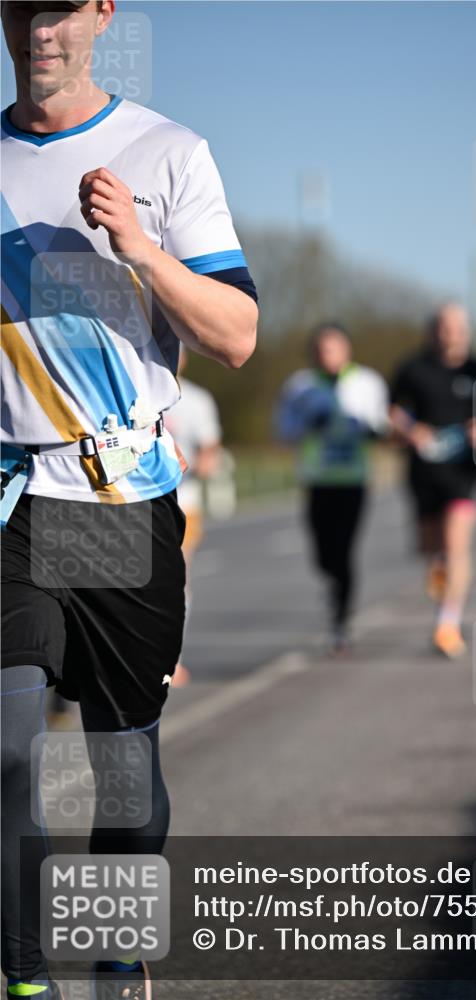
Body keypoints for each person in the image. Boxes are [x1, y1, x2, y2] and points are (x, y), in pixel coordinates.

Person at [0, 3, 258, 998]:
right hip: (13, 494)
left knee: (124, 771)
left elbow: (234, 333)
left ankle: (117, 962)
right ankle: (25, 978)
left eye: (60, 7)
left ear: (104, 10)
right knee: (8, 750)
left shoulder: (166, 152)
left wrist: (142, 249)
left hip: (119, 499)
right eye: (19, 7)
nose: (38, 29)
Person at [275, 323, 388, 653]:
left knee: (344, 549)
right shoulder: (300, 386)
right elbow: (282, 429)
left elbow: (382, 425)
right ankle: (337, 588)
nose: (327, 355)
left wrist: (367, 428)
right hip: (317, 479)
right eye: (321, 349)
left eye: (333, 348)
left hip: (353, 480)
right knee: (323, 556)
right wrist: (308, 424)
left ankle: (341, 619)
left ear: (347, 349)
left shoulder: (367, 382)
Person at [389, 303, 476, 658]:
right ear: (433, 331)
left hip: (463, 472)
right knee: (432, 551)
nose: (451, 333)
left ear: (467, 330)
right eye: (444, 327)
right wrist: (410, 430)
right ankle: (441, 590)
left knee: (456, 544)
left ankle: (448, 623)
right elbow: (392, 412)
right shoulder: (412, 369)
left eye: (457, 326)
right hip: (424, 470)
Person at [163, 347, 224, 688]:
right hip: (135, 502)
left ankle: (173, 658)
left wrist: (200, 463)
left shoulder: (198, 400)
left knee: (176, 578)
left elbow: (210, 449)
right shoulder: (133, 387)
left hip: (183, 503)